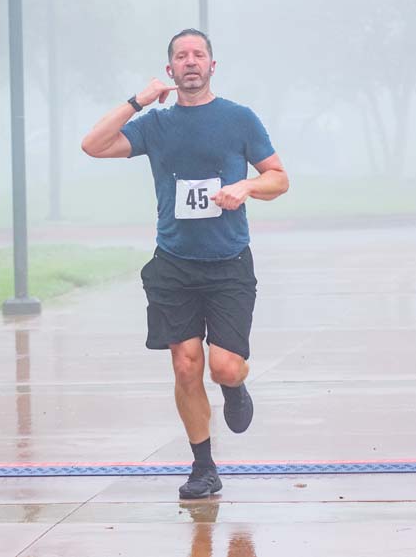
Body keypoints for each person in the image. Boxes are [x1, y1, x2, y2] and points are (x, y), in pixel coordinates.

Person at [81, 28, 289, 499]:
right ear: (170, 70)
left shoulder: (239, 119)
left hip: (229, 262)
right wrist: (137, 100)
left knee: (225, 367)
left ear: (212, 66)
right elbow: (92, 145)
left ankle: (235, 389)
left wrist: (247, 188)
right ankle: (203, 468)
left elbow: (279, 177)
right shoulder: (155, 124)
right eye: (181, 56)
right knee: (185, 366)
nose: (190, 61)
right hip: (174, 264)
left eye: (199, 54)